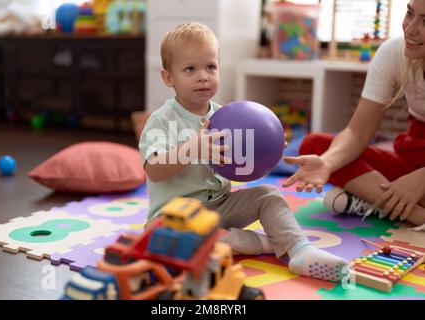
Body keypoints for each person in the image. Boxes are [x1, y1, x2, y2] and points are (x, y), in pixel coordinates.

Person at [138, 22, 347, 281]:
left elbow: (243, 161)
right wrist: (192, 148)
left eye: (210, 67)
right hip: (176, 219)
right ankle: (262, 243)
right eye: (190, 69)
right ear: (169, 77)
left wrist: (266, 147)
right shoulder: (161, 121)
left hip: (221, 206)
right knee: (170, 241)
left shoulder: (225, 114)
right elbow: (154, 170)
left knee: (267, 195)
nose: (203, 76)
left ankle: (300, 249)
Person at [282, 0, 425, 230]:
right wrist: (327, 164)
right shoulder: (393, 52)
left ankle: (376, 202)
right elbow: (358, 132)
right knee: (316, 144)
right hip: (414, 154)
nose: (410, 28)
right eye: (410, 13)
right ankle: (416, 215)